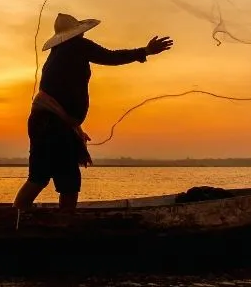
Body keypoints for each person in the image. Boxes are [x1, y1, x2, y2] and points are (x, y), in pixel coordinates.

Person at [14, 13, 173, 212]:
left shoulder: (56, 54)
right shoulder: (76, 46)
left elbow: (59, 97)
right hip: (52, 126)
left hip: (45, 123)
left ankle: (17, 219)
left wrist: (76, 129)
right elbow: (110, 57)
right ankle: (64, 226)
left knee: (39, 176)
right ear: (77, 33)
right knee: (68, 181)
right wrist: (145, 51)